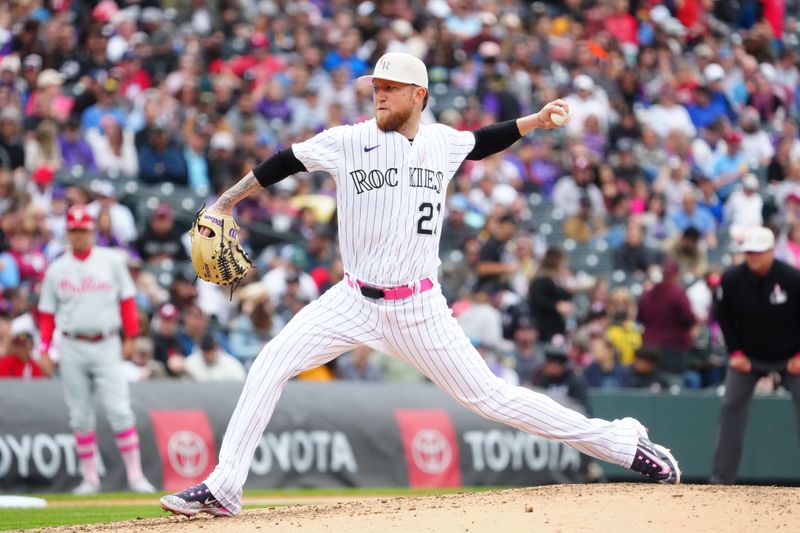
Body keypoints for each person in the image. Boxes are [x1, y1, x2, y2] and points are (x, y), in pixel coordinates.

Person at [160, 52, 680, 518]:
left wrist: (535, 121)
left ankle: (619, 443)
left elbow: (482, 141)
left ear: (418, 96)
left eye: (389, 86)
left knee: (491, 399)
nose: (378, 93)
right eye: (375, 86)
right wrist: (226, 202)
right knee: (272, 362)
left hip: (419, 308)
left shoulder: (442, 143)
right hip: (352, 300)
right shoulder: (347, 140)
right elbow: (282, 163)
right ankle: (226, 486)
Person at [38, 205, 156, 495]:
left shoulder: (111, 261)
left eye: (83, 229)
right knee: (79, 414)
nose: (78, 235)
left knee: (119, 410)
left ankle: (135, 476)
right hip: (71, 343)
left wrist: (130, 335)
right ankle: (89, 479)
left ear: (91, 230)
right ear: (68, 232)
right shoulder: (56, 268)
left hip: (106, 342)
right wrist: (43, 347)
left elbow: (128, 300)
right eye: (74, 230)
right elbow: (47, 314)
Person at [710, 226, 800, 484]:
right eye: (749, 252)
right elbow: (723, 316)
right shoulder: (732, 279)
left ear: (772, 251)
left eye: (759, 253)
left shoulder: (792, 278)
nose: (753, 257)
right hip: (748, 357)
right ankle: (721, 479)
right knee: (730, 406)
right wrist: (735, 352)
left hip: (790, 356)